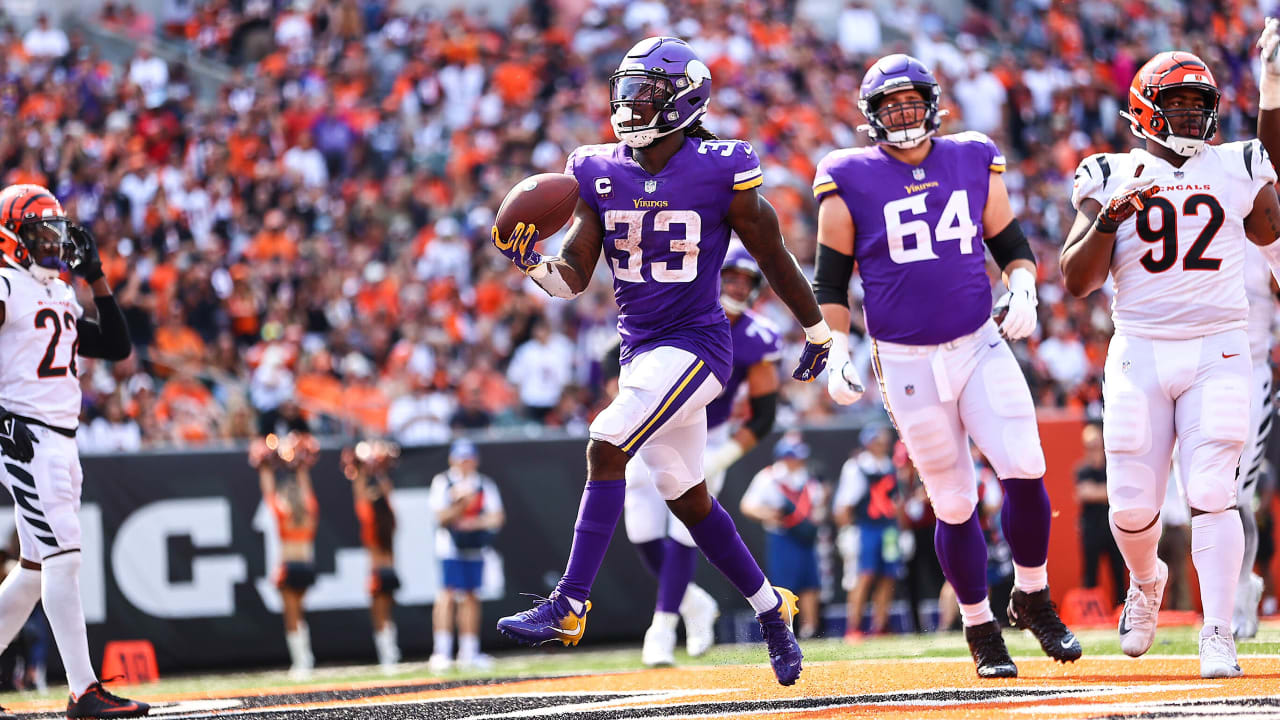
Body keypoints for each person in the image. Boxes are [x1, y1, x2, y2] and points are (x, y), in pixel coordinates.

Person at [491, 36, 832, 687]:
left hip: (699, 347)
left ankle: (569, 602)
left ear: (683, 100)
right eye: (627, 91)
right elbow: (571, 278)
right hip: (642, 354)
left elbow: (772, 253)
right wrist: (530, 260)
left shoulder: (720, 166)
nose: (629, 104)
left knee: (605, 440)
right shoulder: (595, 169)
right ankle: (771, 614)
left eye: (646, 93)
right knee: (690, 499)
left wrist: (816, 329)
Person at [812, 54, 1079, 678]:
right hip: (904, 358)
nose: (904, 115)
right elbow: (830, 279)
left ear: (933, 103)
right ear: (871, 116)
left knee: (1025, 467)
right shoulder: (845, 174)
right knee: (953, 500)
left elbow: (1010, 244)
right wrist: (838, 352)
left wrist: (1023, 287)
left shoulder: (971, 154)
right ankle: (981, 628)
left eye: (912, 102)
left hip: (978, 341)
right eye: (890, 106)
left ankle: (1034, 595)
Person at [1061, 48, 1280, 678]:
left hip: (1220, 346)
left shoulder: (1238, 165)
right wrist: (1111, 215)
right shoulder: (1106, 173)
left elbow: (1275, 246)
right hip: (1141, 347)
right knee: (1131, 506)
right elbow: (1077, 282)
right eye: (1176, 104)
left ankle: (1218, 633)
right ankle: (1146, 579)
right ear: (1144, 110)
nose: (1189, 116)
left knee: (1215, 490)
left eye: (1198, 105)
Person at [0, 184, 147, 718]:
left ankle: (83, 690)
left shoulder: (58, 291)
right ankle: (83, 691)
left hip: (61, 437)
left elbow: (116, 345)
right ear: (12, 236)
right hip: (28, 434)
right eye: (39, 232)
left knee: (36, 571)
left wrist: (96, 279)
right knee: (66, 559)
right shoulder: (7, 284)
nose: (51, 243)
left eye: (54, 232)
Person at [620, 246, 782, 666]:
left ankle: (663, 627)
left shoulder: (756, 336)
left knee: (684, 532)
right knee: (641, 531)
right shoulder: (679, 310)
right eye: (730, 276)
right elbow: (610, 357)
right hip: (655, 422)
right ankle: (695, 605)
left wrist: (724, 455)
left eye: (746, 281)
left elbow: (764, 415)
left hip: (709, 436)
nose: (736, 286)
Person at [428, 440, 504, 672]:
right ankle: (441, 651)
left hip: (475, 547)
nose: (465, 463)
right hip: (450, 547)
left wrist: (474, 523)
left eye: (468, 458)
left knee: (471, 596)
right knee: (448, 594)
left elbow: (497, 517)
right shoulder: (443, 482)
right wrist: (460, 506)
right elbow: (440, 517)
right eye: (461, 458)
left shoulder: (483, 484)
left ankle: (469, 651)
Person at [740, 435, 826, 639]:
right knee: (783, 584)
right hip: (782, 536)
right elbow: (748, 506)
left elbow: (818, 504)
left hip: (805, 536)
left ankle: (810, 629)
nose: (798, 461)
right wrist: (769, 514)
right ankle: (785, 629)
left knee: (810, 582)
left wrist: (814, 518)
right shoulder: (769, 477)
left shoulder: (808, 477)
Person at [251, 430, 319, 680]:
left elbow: (268, 487)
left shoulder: (282, 512)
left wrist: (266, 463)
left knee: (292, 617)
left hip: (289, 566)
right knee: (300, 612)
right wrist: (300, 464)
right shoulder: (310, 510)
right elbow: (305, 485)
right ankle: (306, 657)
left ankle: (301, 661)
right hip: (306, 565)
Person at [833, 424, 901, 641]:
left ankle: (880, 624)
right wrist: (846, 531)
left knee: (888, 576)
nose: (882, 444)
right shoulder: (856, 467)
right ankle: (854, 626)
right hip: (866, 528)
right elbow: (844, 504)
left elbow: (895, 501)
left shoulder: (889, 465)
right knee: (864, 575)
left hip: (888, 529)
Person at [343, 439, 402, 669]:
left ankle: (387, 656)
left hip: (377, 573)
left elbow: (359, 494)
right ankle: (392, 651)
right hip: (392, 571)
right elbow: (388, 494)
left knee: (379, 617)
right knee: (389, 613)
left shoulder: (370, 521)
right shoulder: (390, 520)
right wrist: (380, 470)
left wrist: (361, 470)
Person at [1075, 423, 1126, 607]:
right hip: (1091, 531)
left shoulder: (1111, 467)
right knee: (1090, 576)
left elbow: (1117, 492)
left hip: (1113, 529)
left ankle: (1121, 610)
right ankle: (1090, 613)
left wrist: (1099, 492)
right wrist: (1108, 492)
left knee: (1119, 574)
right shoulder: (1082, 470)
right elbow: (1084, 493)